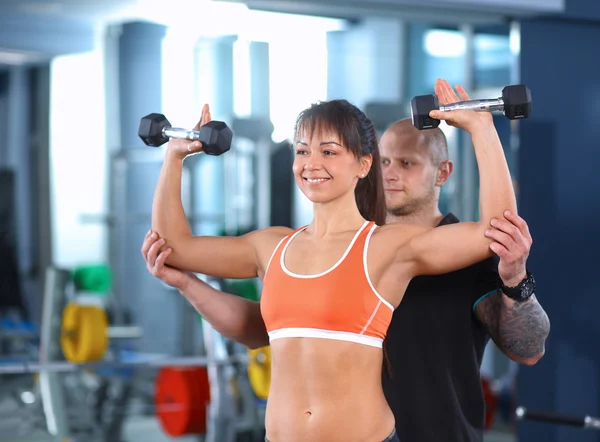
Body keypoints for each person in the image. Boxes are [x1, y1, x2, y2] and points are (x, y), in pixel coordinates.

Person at [142, 79, 519, 442]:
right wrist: (174, 157)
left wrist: (481, 130)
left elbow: (495, 230)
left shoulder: (386, 248)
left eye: (329, 151)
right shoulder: (272, 247)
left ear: (363, 164)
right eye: (302, 150)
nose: (311, 163)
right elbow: (173, 246)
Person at [378, 118, 550, 442]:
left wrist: (514, 276)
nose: (390, 173)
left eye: (406, 162)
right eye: (384, 161)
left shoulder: (469, 259)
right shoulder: (361, 250)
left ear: (443, 172)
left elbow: (529, 349)